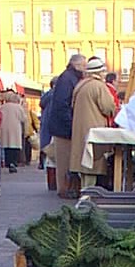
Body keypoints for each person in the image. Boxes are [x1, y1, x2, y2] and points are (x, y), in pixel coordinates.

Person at [69, 57, 116, 190]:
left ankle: (84, 193)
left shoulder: (80, 85)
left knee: (83, 166)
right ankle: (88, 197)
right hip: (94, 130)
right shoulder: (99, 86)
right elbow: (108, 107)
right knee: (91, 164)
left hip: (80, 130)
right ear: (99, 72)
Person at [48, 53, 86, 198]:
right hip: (63, 128)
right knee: (64, 161)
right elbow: (62, 105)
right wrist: (71, 125)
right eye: (84, 65)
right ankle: (64, 190)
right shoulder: (68, 79)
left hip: (62, 126)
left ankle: (66, 188)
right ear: (76, 65)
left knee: (66, 160)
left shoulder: (69, 77)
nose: (85, 69)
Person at [0, 91, 26, 173]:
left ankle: (8, 162)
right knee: (15, 146)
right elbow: (23, 118)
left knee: (7, 146)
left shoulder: (3, 107)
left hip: (5, 128)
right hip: (15, 128)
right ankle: (13, 162)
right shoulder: (18, 107)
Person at [38, 75, 58, 170]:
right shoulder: (57, 95)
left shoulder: (46, 96)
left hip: (45, 123)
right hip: (53, 123)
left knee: (45, 144)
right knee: (52, 146)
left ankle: (42, 162)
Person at [22, 98, 40, 167]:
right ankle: (25, 160)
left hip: (29, 132)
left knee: (28, 147)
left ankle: (27, 160)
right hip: (24, 132)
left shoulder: (30, 112)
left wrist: (37, 129)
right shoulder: (22, 112)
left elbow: (35, 121)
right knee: (26, 147)